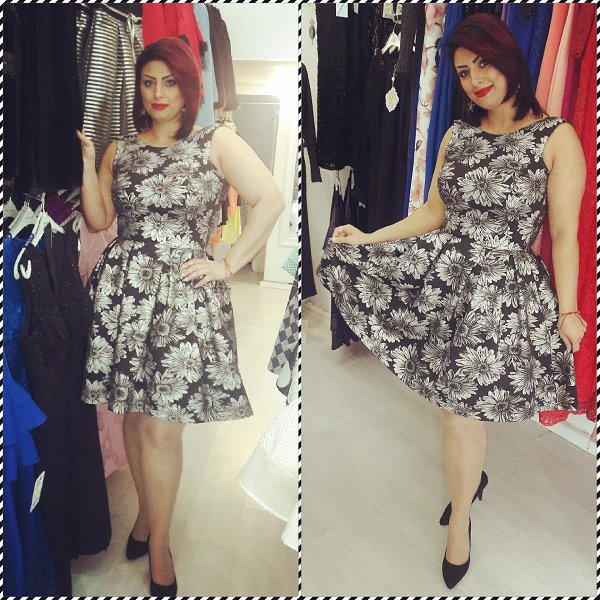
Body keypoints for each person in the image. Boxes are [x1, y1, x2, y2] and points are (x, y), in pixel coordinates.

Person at [317, 13, 587, 590]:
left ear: (509, 58)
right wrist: (369, 238)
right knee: (453, 406)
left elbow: (565, 234)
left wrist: (568, 310)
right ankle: (469, 490)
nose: (475, 80)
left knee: (462, 410)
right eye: (463, 72)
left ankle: (460, 516)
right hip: (446, 278)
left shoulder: (556, 137)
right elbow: (434, 212)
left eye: (483, 64)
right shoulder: (457, 135)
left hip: (501, 292)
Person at [76, 38, 285, 596]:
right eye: (148, 82)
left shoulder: (214, 141)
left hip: (183, 299)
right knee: (132, 414)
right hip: (125, 294)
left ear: (189, 85)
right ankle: (146, 518)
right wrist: (89, 162)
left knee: (162, 426)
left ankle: (160, 544)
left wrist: (228, 263)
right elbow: (99, 219)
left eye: (169, 81)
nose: (158, 93)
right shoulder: (121, 148)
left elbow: (270, 198)